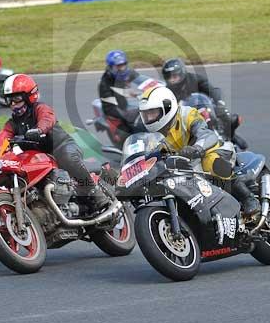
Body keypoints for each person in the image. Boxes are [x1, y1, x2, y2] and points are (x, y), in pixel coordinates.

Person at [0, 73, 111, 212]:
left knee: (67, 157)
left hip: (61, 146)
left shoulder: (40, 109)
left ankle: (96, 193)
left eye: (17, 99)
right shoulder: (12, 124)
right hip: (40, 158)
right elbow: (2, 137)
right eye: (9, 101)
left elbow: (47, 119)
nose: (13, 104)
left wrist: (39, 130)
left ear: (29, 96)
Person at [138, 85, 260, 217]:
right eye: (146, 114)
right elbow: (151, 158)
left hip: (213, 150)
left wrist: (197, 148)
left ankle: (247, 198)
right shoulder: (154, 136)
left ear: (167, 107)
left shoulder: (187, 114)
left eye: (152, 113)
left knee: (210, 163)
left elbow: (208, 135)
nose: (149, 118)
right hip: (186, 166)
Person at [161, 58, 241, 138]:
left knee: (228, 117)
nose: (172, 80)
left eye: (174, 76)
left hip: (205, 108)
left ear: (182, 73)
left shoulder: (194, 79)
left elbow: (213, 90)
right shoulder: (167, 91)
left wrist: (219, 102)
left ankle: (231, 135)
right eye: (169, 77)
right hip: (185, 117)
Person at [98, 49, 140, 145]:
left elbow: (141, 81)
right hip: (115, 111)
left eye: (123, 65)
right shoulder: (105, 83)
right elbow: (110, 108)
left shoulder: (128, 73)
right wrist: (127, 115)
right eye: (118, 66)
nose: (122, 68)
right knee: (131, 128)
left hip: (130, 105)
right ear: (111, 67)